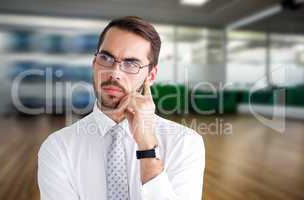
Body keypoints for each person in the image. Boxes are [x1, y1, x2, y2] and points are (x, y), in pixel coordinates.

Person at [37, 16, 205, 200]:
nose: (115, 73)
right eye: (106, 58)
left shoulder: (185, 143)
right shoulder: (58, 148)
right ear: (94, 64)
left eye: (131, 64)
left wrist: (147, 146)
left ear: (151, 75)